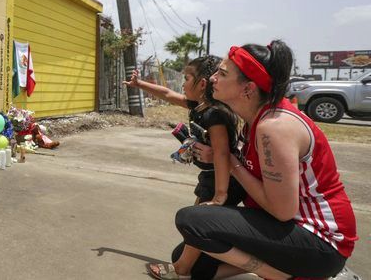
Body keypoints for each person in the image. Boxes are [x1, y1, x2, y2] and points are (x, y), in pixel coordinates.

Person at [171, 41, 357, 279]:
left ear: (247, 89)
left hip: (320, 241)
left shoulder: (274, 128)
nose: (214, 78)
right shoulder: (254, 119)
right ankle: (288, 270)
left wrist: (230, 162)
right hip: (289, 229)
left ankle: (284, 276)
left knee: (193, 221)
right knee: (189, 255)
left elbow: (282, 211)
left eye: (223, 73)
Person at [124, 56, 244, 279]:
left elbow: (221, 153)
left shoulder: (215, 114)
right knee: (199, 225)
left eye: (187, 78)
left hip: (223, 181)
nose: (182, 83)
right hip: (211, 177)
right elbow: (167, 94)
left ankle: (181, 270)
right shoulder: (198, 106)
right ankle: (189, 265)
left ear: (202, 84)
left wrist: (220, 195)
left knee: (199, 224)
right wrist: (140, 84)